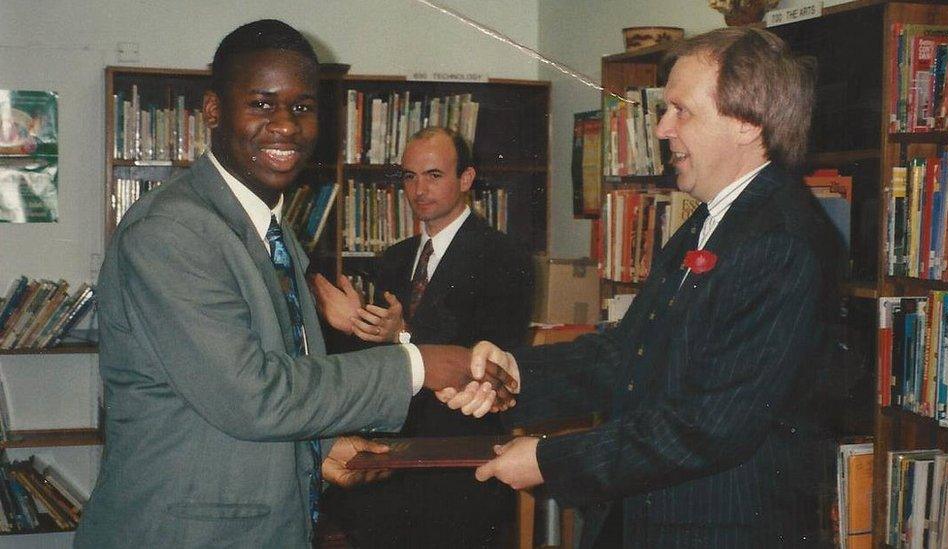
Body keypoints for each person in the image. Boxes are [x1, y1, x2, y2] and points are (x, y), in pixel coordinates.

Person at [74, 20, 513, 548]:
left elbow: (266, 381)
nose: (285, 125)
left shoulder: (270, 229)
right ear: (213, 110)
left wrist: (321, 447)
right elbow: (251, 394)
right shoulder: (173, 231)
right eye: (261, 104)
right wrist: (419, 364)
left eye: (302, 108)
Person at [442, 26, 842, 548]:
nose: (661, 130)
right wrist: (517, 373)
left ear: (747, 123)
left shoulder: (779, 241)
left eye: (682, 111)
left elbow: (711, 425)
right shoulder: (714, 222)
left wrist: (549, 460)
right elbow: (632, 353)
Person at [311, 127, 533, 547]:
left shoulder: (505, 258)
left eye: (433, 175)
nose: (418, 189)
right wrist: (350, 323)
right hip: (388, 458)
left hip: (458, 464)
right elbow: (369, 360)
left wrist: (404, 333)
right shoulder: (393, 259)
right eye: (409, 177)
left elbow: (488, 363)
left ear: (466, 179)